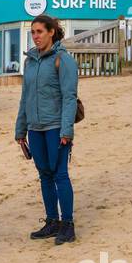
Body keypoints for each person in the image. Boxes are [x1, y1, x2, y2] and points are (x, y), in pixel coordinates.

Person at [15, 15, 78, 244]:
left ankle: (68, 225)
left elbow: (70, 98)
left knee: (60, 174)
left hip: (55, 127)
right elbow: (25, 98)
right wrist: (20, 129)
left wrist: (66, 131)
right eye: (33, 32)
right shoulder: (30, 61)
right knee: (44, 176)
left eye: (40, 31)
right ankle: (52, 221)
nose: (35, 36)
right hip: (35, 128)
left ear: (51, 32)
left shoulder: (63, 60)